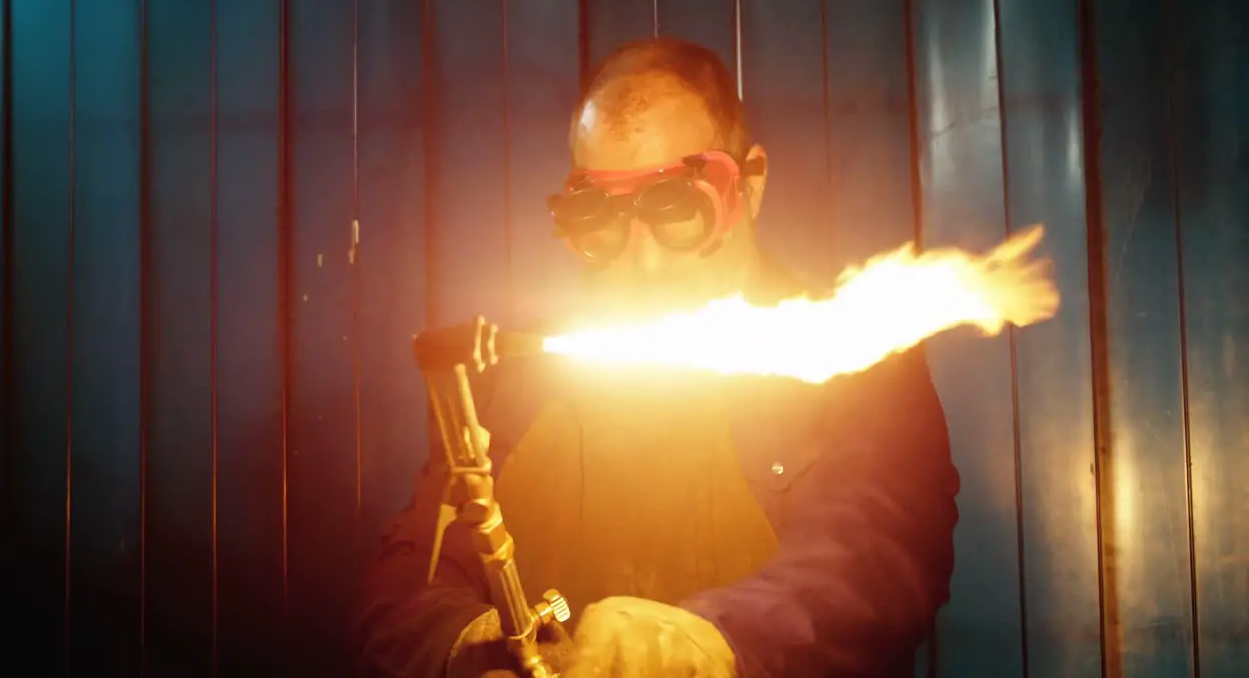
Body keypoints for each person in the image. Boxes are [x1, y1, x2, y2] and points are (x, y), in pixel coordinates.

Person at [355, 37, 960, 677]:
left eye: (676, 210)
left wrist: (712, 646)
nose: (641, 263)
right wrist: (466, 645)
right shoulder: (517, 376)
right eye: (600, 219)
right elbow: (410, 572)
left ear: (749, 186)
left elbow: (875, 559)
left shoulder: (850, 356)